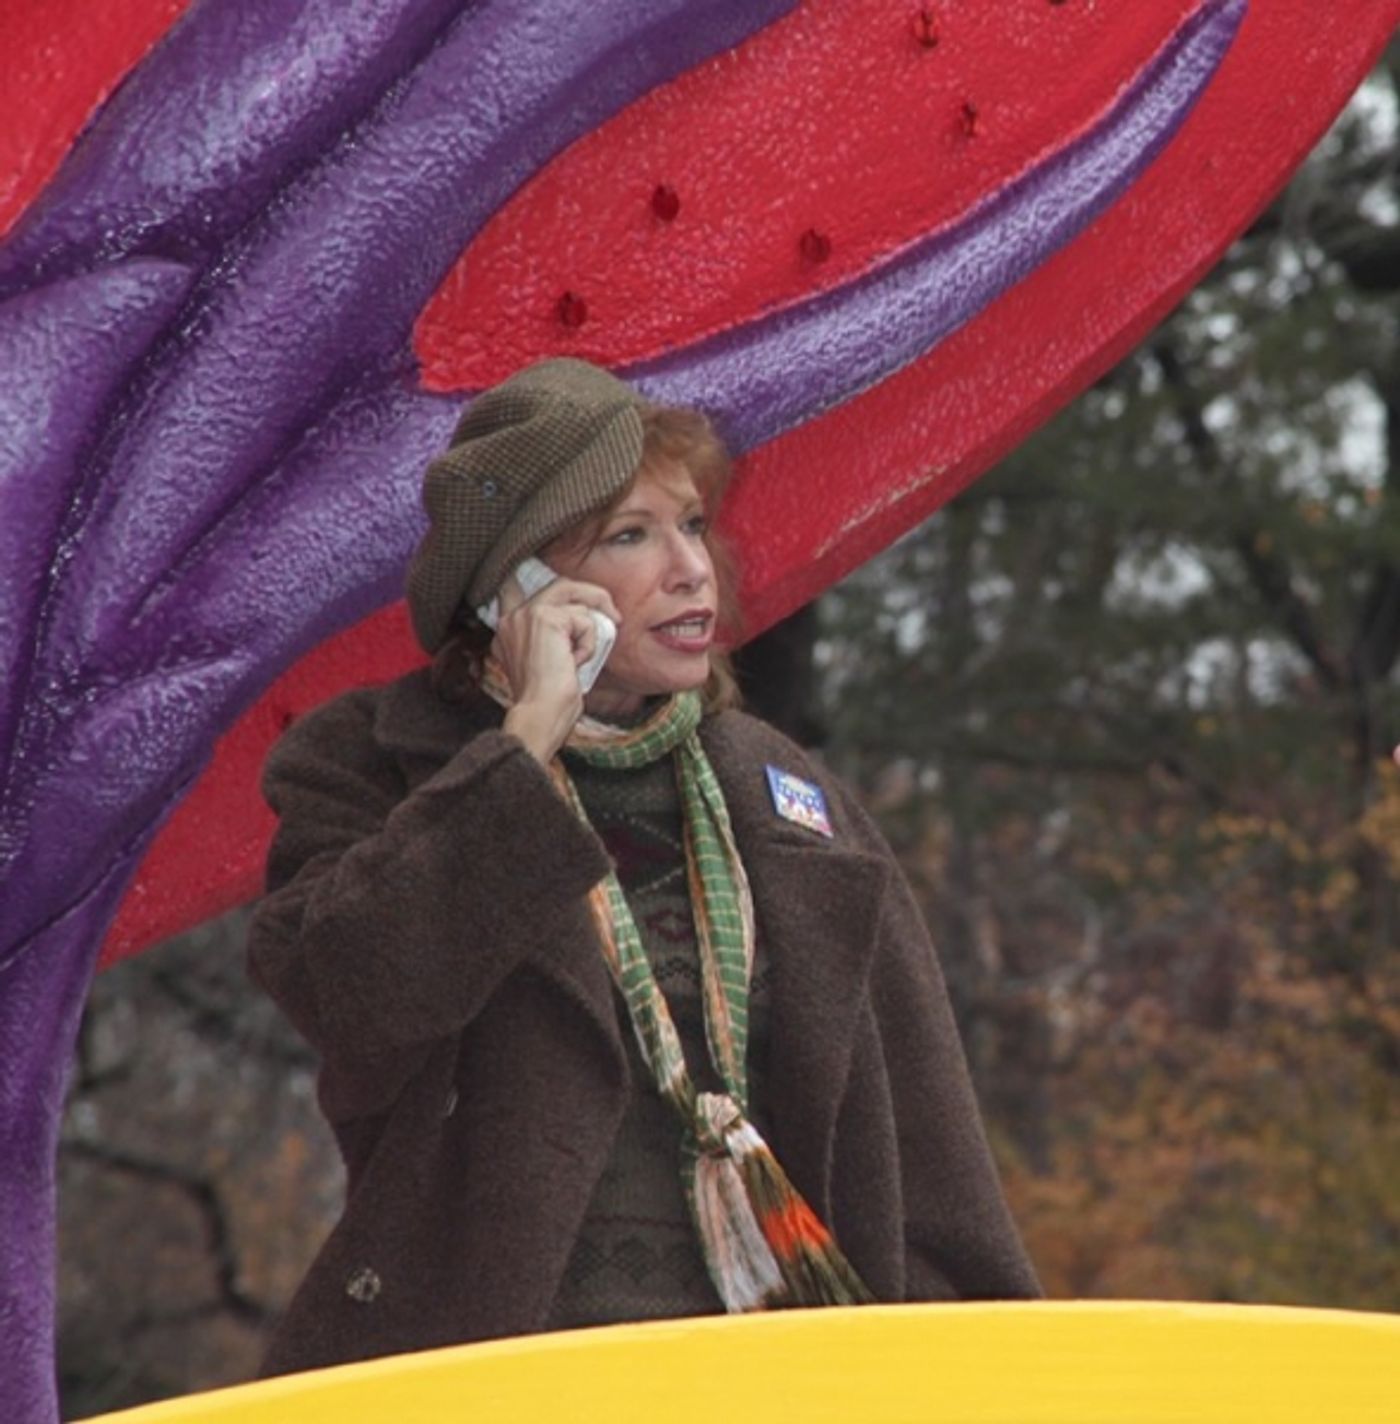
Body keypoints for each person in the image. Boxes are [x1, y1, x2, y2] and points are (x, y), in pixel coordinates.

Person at [247, 357, 1039, 1377]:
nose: (689, 568)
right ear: (515, 588)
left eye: (693, 524)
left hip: (777, 1379)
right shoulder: (369, 763)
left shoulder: (786, 798)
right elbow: (347, 990)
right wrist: (522, 745)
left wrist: (991, 1374)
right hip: (496, 1373)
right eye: (631, 534)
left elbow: (928, 1161)